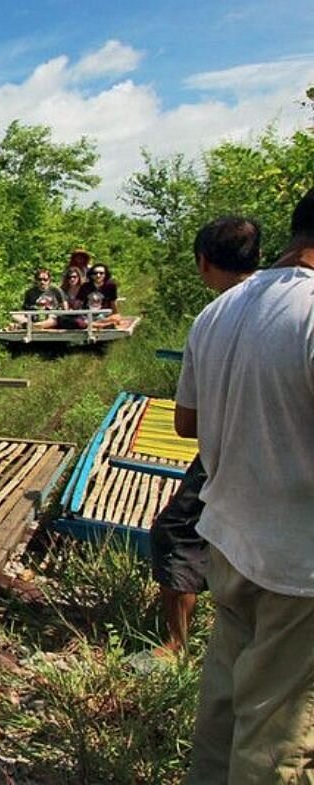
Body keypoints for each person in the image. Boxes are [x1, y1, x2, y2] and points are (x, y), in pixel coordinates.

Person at [176, 190, 314, 784]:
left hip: (230, 537)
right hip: (297, 563)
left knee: (226, 704)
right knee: (276, 737)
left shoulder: (219, 311)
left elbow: (188, 420)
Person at [149, 216, 259, 660]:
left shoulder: (214, 318)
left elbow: (186, 424)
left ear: (203, 262)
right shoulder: (296, 303)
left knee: (176, 533)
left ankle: (176, 645)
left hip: (234, 452)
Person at [77, 263, 125, 328]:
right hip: (88, 314)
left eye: (101, 273)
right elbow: (79, 302)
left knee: (116, 318)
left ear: (105, 275)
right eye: (95, 273)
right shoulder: (85, 286)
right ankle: (100, 325)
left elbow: (113, 302)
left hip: (104, 314)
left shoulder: (111, 286)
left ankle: (93, 324)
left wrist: (116, 314)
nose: (98, 275)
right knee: (78, 320)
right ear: (91, 275)